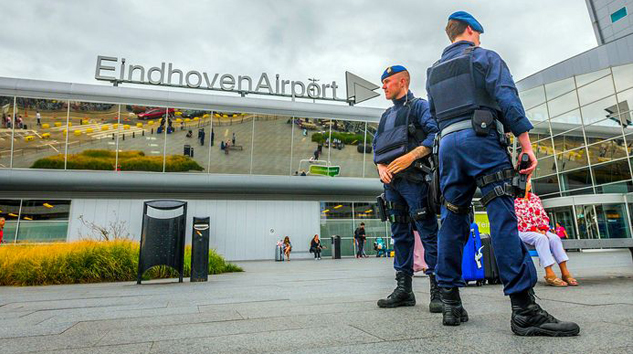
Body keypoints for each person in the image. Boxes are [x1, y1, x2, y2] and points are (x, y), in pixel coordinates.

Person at [425, 11, 579, 336]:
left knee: (452, 220)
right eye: (478, 34)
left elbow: (435, 115)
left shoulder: (433, 72)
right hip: (481, 140)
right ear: (470, 30)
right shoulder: (484, 56)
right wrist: (525, 144)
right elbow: (507, 97)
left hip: (448, 146)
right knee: (502, 217)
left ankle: (450, 302)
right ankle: (524, 310)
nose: (479, 39)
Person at [373, 65, 441, 313]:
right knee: (400, 235)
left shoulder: (420, 106)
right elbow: (376, 147)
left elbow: (435, 134)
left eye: (387, 81)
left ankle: (439, 291)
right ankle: (404, 291)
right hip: (391, 184)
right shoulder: (385, 116)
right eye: (383, 82)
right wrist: (381, 167)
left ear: (402, 81)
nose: (384, 86)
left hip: (415, 180)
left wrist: (410, 157)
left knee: (428, 233)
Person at [515, 182, 578, 287]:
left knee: (554, 238)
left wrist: (543, 228)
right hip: (523, 230)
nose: (528, 183)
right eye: (525, 182)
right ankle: (549, 273)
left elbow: (543, 215)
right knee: (541, 239)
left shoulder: (535, 198)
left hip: (540, 229)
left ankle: (565, 272)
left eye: (528, 182)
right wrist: (535, 229)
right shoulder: (514, 200)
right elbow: (519, 219)